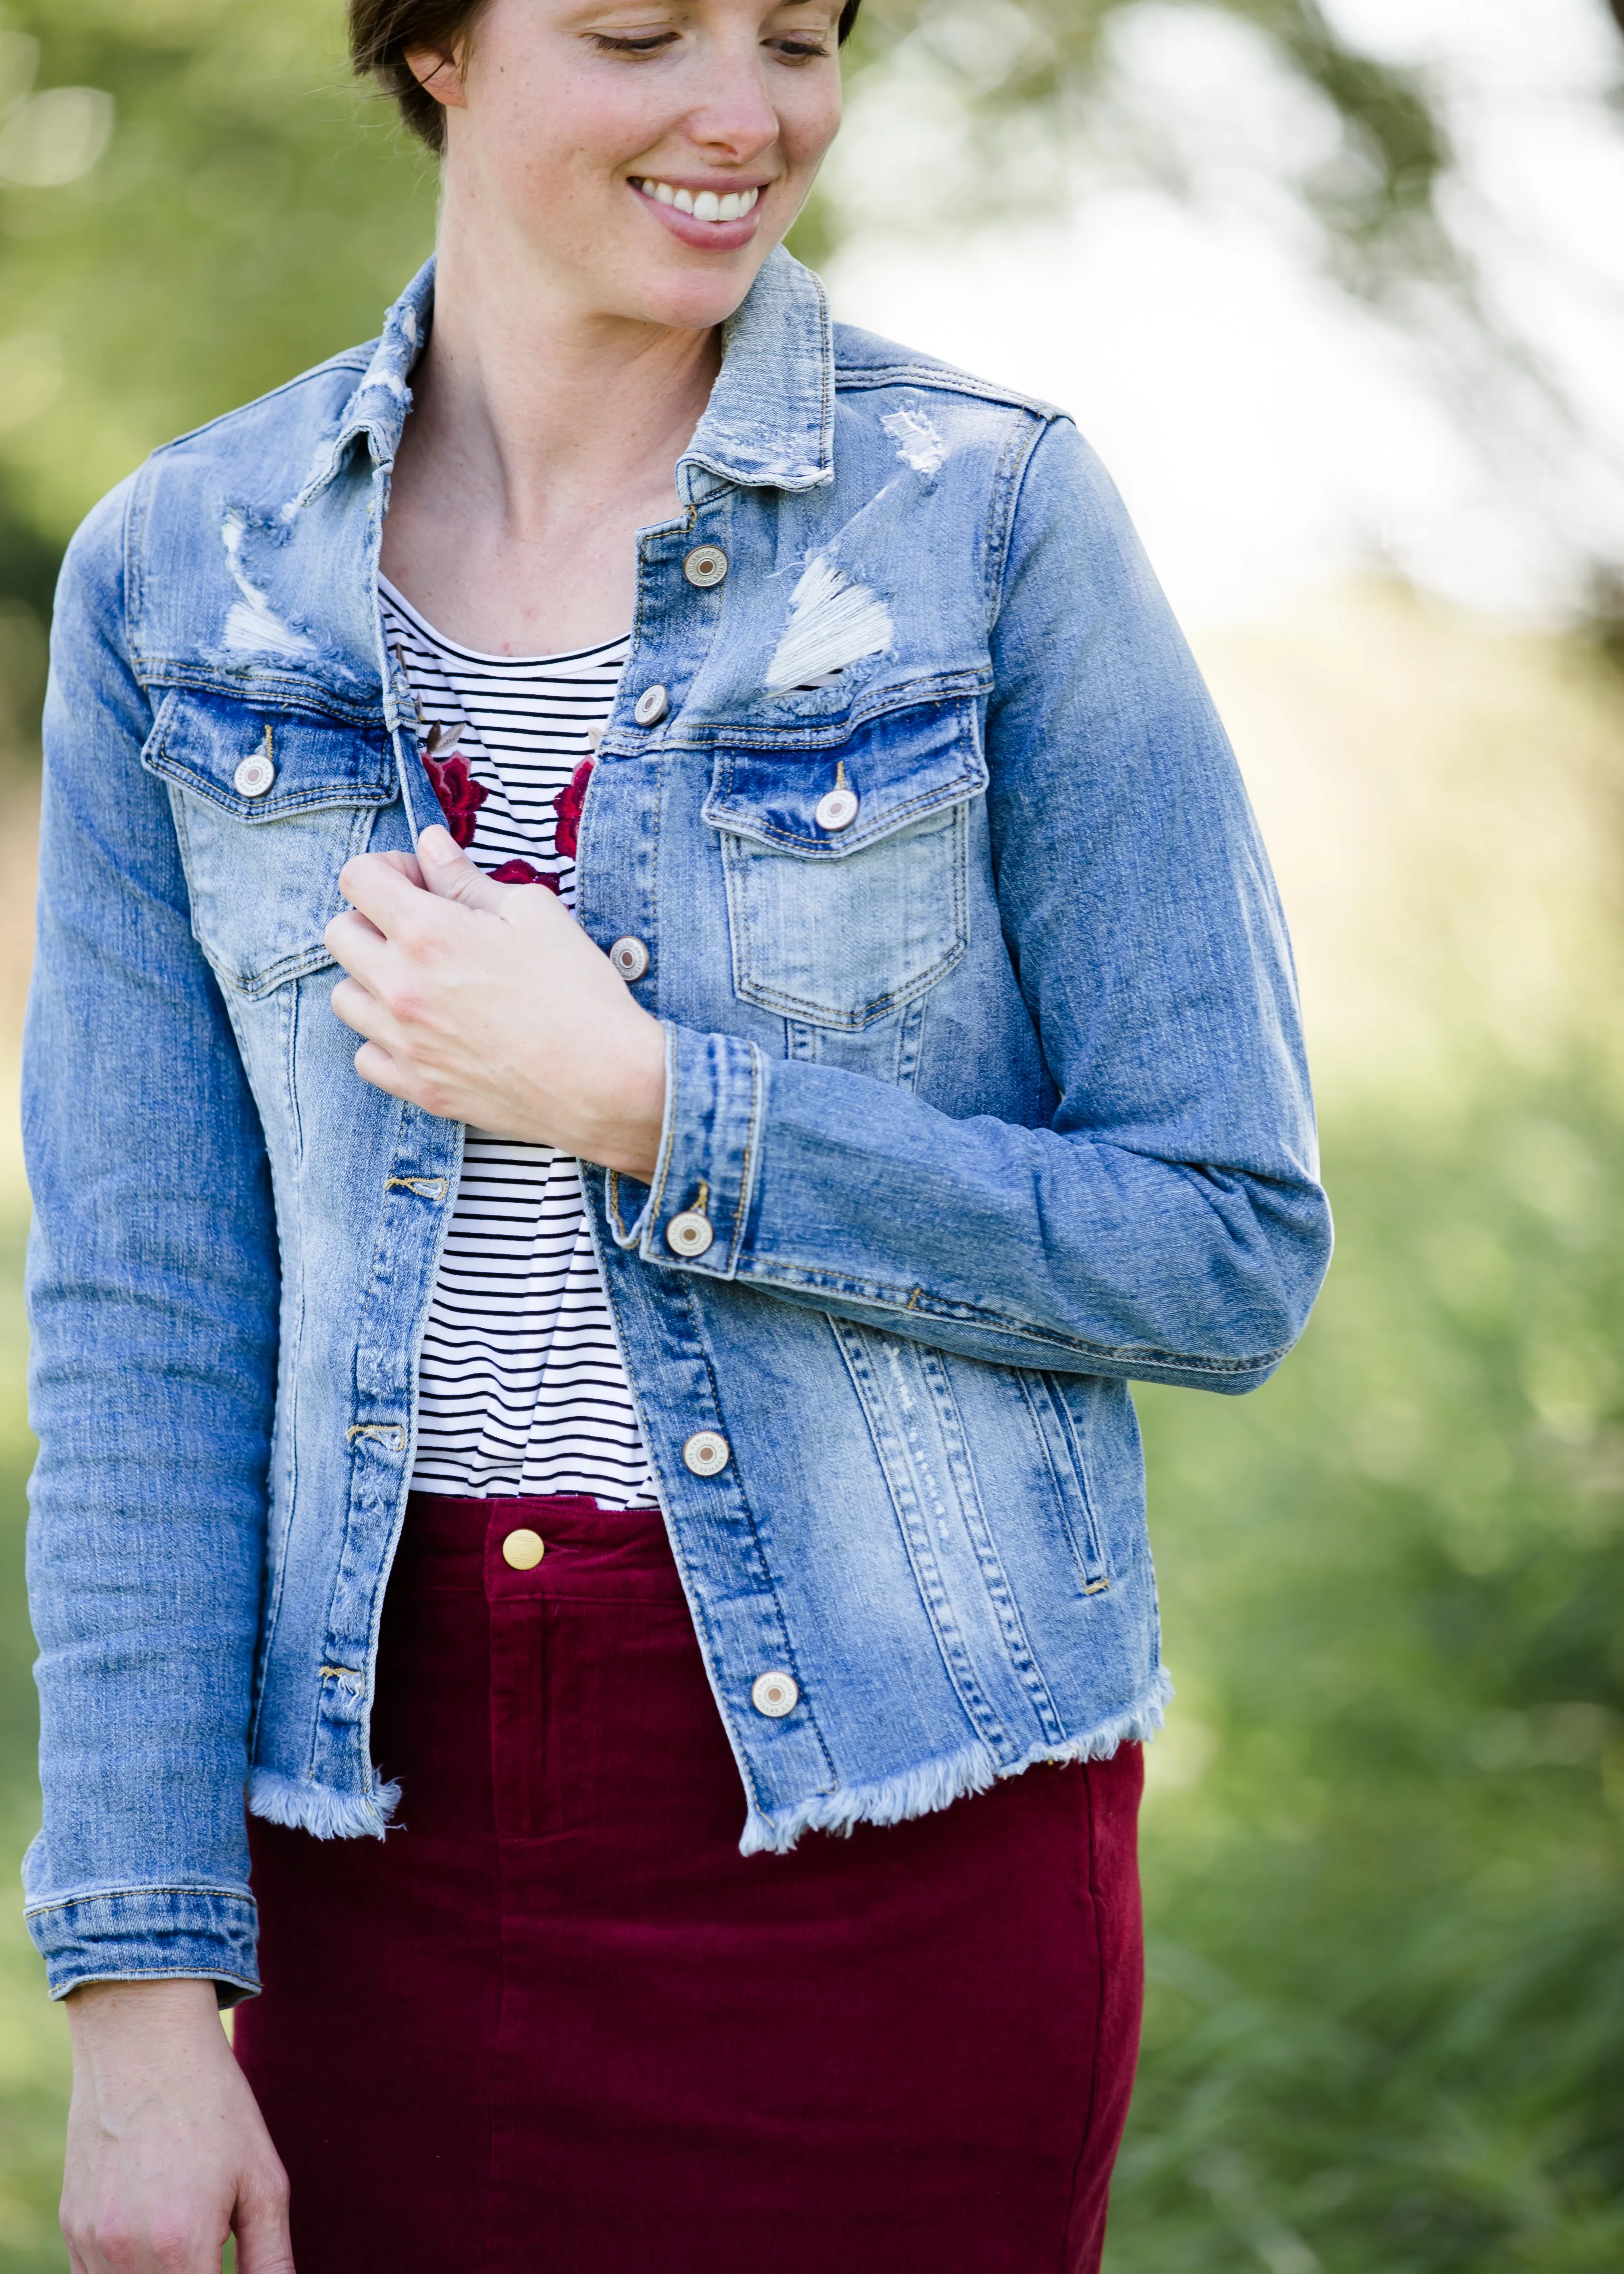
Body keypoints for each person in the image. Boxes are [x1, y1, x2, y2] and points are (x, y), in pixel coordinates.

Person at [21, 1, 1331, 2267]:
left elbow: (1222, 1242)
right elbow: (146, 1319)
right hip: (361, 1818)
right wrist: (140, 1996)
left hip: (897, 1834)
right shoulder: (178, 576)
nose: (748, 113)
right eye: (643, 28)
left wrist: (654, 1108)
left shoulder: (990, 522)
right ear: (431, 44)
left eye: (802, 35)